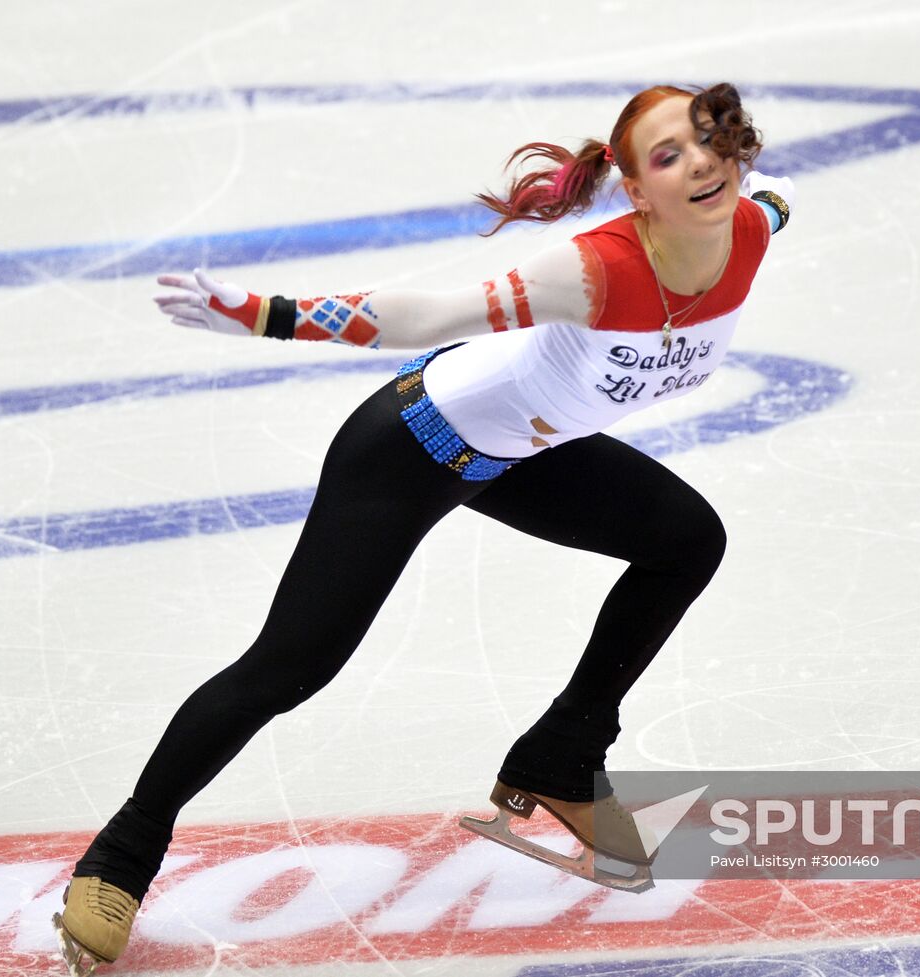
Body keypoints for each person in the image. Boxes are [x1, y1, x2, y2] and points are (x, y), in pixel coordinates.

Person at [53, 81, 793, 975]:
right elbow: (423, 316)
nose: (700, 163)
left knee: (686, 541)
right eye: (668, 155)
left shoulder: (753, 226)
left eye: (708, 139)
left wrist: (770, 198)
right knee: (290, 667)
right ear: (635, 191)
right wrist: (265, 314)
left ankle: (561, 757)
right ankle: (122, 853)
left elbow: (777, 201)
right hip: (416, 443)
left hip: (527, 452)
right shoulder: (592, 270)